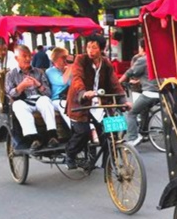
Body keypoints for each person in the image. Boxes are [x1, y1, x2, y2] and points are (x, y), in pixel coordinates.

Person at [65, 34, 131, 170]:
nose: (90, 50)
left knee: (110, 133)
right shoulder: (80, 59)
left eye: (94, 48)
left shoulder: (106, 63)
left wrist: (123, 100)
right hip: (80, 102)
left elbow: (114, 83)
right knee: (82, 133)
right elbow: (77, 78)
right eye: (88, 47)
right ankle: (70, 154)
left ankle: (108, 163)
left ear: (101, 49)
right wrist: (84, 92)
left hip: (100, 103)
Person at [5, 45, 59, 150]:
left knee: (46, 101)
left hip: (39, 99)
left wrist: (38, 85)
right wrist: (21, 86)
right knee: (18, 105)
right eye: (24, 56)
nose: (28, 59)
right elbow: (9, 93)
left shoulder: (39, 72)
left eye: (29, 56)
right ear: (16, 58)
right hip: (23, 101)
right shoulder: (11, 74)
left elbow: (48, 93)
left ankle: (52, 135)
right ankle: (34, 138)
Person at [122, 39, 159, 144]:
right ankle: (144, 133)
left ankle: (133, 138)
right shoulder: (156, 58)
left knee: (131, 113)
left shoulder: (142, 59)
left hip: (148, 92)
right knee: (143, 110)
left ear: (142, 48)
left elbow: (131, 72)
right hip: (160, 93)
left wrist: (118, 82)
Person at [45, 47, 73, 129]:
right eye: (63, 57)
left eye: (67, 57)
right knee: (65, 105)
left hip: (70, 97)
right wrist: (70, 66)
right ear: (55, 59)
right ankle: (75, 130)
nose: (66, 60)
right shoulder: (50, 71)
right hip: (57, 99)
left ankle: (94, 131)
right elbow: (62, 81)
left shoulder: (68, 69)